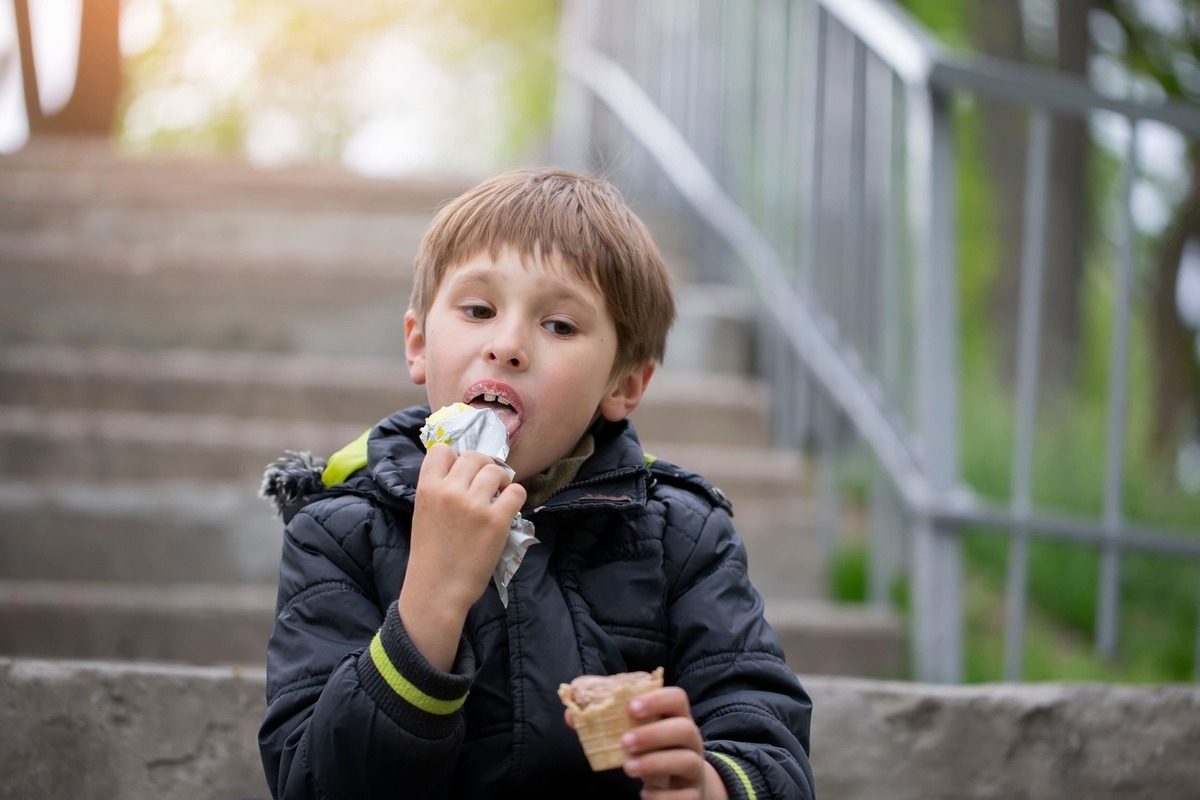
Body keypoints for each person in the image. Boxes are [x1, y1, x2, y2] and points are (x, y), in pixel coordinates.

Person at [258, 168, 815, 799]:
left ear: (624, 384)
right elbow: (312, 783)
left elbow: (769, 741)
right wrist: (430, 602)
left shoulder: (681, 536)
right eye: (478, 310)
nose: (508, 345)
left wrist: (711, 786)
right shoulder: (339, 531)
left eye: (560, 326)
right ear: (417, 343)